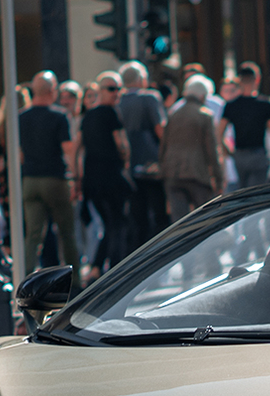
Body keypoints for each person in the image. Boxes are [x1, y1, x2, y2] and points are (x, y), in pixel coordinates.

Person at [16, 71, 79, 275]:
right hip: (54, 178)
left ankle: (24, 279)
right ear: (52, 91)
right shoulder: (59, 116)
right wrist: (75, 177)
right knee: (66, 232)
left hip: (30, 180)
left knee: (33, 236)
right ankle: (75, 280)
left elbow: (19, 154)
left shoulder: (21, 117)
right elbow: (68, 150)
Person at [78, 73, 132, 278]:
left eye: (118, 88)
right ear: (100, 91)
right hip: (109, 176)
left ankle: (97, 266)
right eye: (111, 88)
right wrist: (125, 160)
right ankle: (114, 269)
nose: (116, 93)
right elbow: (122, 144)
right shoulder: (111, 113)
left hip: (93, 179)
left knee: (110, 223)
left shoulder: (87, 116)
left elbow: (78, 148)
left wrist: (78, 178)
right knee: (116, 222)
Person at [114, 60, 168, 251]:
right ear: (141, 79)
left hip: (126, 166)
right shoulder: (150, 98)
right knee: (158, 213)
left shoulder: (117, 100)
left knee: (136, 216)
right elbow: (160, 129)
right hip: (150, 163)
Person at [160, 72, 224, 220]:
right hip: (196, 174)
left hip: (172, 173)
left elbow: (163, 145)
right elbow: (212, 150)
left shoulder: (173, 113)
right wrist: (218, 178)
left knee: (179, 222)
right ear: (203, 96)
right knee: (204, 219)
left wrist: (163, 168)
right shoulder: (205, 115)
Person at [220, 62, 270, 189]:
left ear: (239, 81)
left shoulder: (231, 105)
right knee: (257, 194)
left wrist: (229, 153)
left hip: (240, 155)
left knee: (242, 192)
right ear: (257, 79)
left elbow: (218, 134)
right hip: (258, 154)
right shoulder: (265, 105)